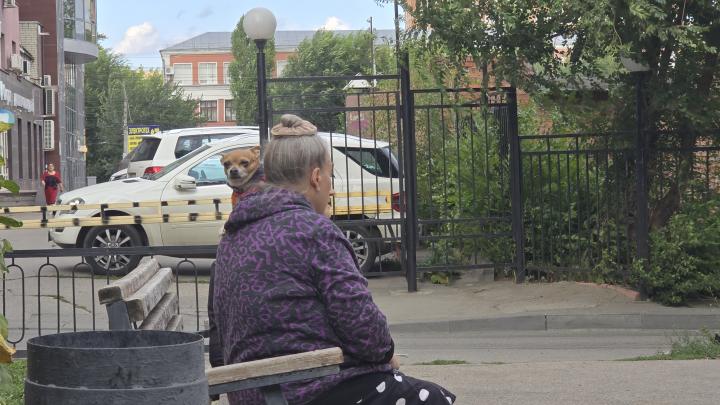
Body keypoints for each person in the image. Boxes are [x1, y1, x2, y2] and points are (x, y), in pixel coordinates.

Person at [212, 114, 456, 405]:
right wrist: (387, 354)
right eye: (331, 176)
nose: (332, 187)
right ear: (316, 177)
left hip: (254, 393)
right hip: (306, 390)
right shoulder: (314, 231)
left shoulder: (233, 233)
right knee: (433, 399)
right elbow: (369, 336)